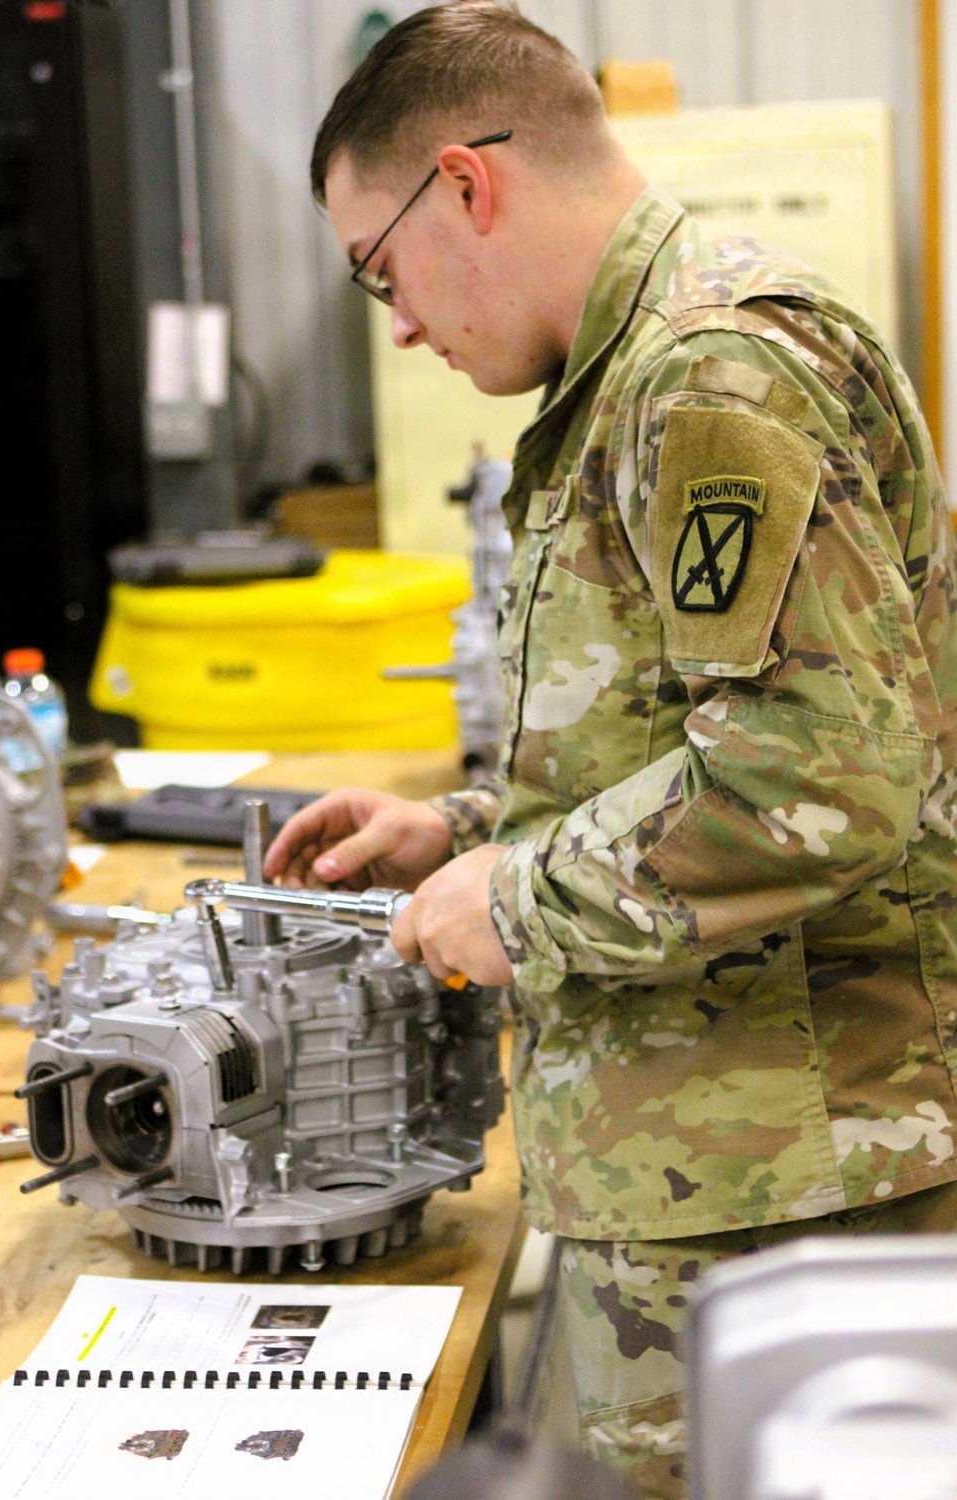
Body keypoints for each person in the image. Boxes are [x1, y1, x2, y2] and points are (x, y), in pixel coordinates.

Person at [264, 5, 957, 1496]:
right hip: (707, 1164)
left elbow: (820, 776)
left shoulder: (711, 377)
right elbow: (679, 733)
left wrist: (509, 904)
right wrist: (459, 836)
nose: (394, 325)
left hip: (783, 1191)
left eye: (378, 272)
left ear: (465, 182)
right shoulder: (629, 379)